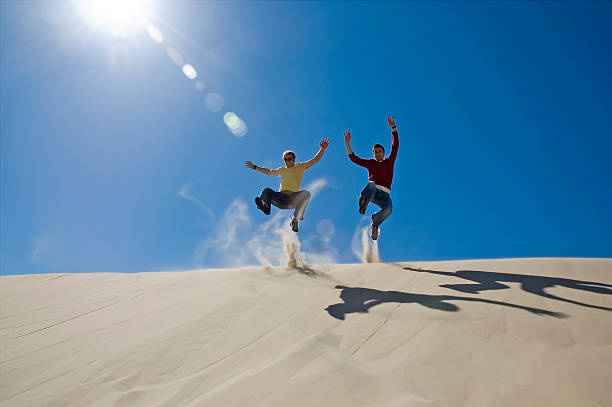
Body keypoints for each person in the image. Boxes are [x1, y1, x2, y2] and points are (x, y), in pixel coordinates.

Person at [245, 139, 330, 232]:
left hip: (293, 198)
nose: (287, 161)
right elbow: (268, 172)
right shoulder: (282, 170)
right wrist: (254, 167)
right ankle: (265, 206)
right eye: (285, 159)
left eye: (289, 159)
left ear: (294, 160)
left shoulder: (300, 167)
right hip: (280, 198)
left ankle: (296, 220)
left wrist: (322, 149)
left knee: (306, 193)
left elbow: (315, 160)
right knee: (266, 190)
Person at [344, 116, 399, 240]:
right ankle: (363, 201)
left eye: (380, 152)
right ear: (373, 153)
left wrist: (393, 128)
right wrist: (348, 143)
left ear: (383, 153)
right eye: (375, 152)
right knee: (371, 184)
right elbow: (353, 158)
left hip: (385, 195)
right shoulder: (370, 163)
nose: (378, 154)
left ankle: (375, 224)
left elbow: (395, 147)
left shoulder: (389, 161)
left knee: (389, 209)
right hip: (373, 192)